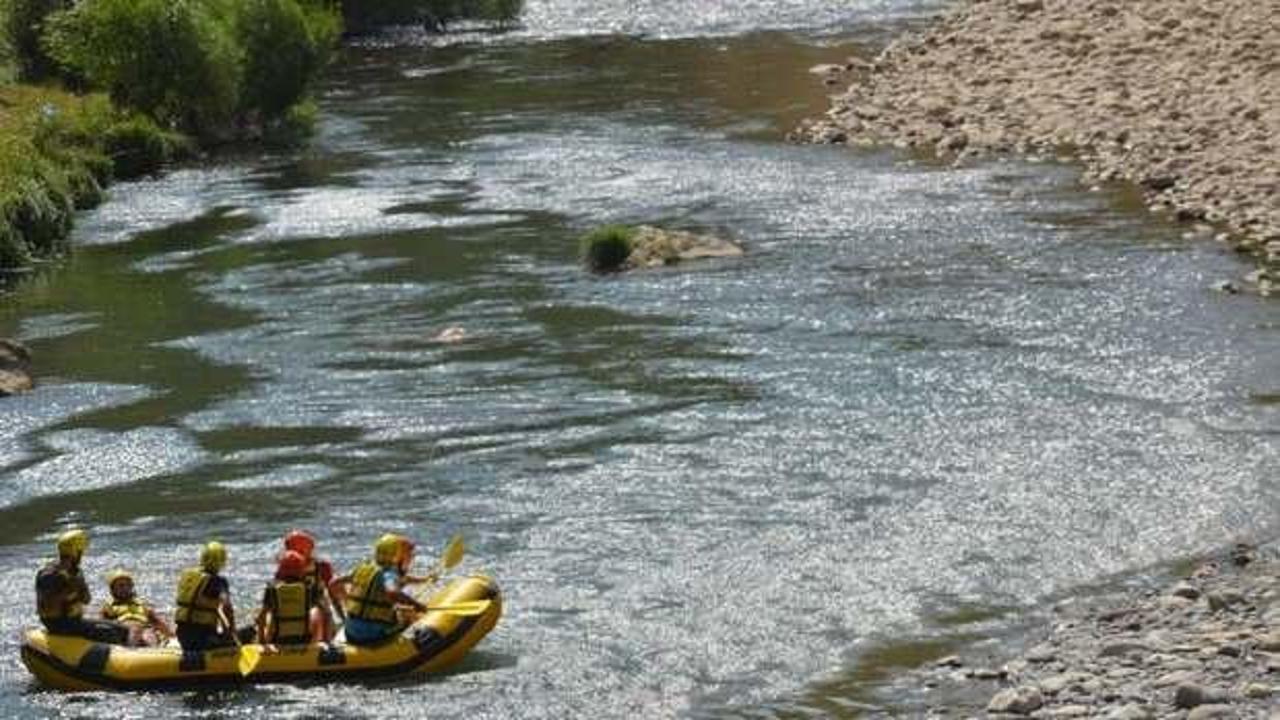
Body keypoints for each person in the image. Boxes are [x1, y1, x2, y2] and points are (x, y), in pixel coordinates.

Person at [35, 528, 130, 644]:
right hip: (57, 624)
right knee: (108, 632)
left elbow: (86, 599)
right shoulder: (50, 575)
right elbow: (48, 608)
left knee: (122, 628)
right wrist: (69, 592)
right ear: (75, 552)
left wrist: (78, 586)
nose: (82, 555)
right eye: (81, 552)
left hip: (74, 620)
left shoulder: (75, 572)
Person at [335, 533, 428, 647]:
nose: (411, 558)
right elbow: (392, 592)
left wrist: (346, 602)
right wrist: (418, 605)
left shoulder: (364, 568)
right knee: (410, 615)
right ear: (397, 556)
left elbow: (334, 583)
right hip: (371, 635)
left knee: (398, 610)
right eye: (408, 555)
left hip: (350, 631)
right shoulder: (389, 573)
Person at [174, 541, 238, 651]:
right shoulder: (218, 581)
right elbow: (227, 608)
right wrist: (232, 635)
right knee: (249, 632)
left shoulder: (188, 575)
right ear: (222, 560)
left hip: (182, 637)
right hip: (203, 640)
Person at [255, 550, 325, 646]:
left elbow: (261, 617)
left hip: (277, 639)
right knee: (316, 612)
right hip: (304, 639)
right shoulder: (309, 588)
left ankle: (265, 641)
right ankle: (318, 643)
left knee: (269, 615)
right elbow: (326, 613)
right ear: (301, 569)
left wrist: (261, 641)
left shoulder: (272, 590)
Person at [282, 529, 341, 641]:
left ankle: (328, 642)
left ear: (310, 548)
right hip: (293, 604)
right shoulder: (286, 565)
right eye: (293, 548)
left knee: (324, 612)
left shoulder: (322, 566)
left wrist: (343, 618)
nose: (297, 552)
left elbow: (333, 593)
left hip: (317, 606)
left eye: (301, 548)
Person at [100, 569, 173, 647]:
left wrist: (171, 635)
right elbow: (103, 626)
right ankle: (131, 650)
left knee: (149, 634)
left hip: (143, 629)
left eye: (128, 585)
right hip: (122, 631)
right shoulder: (109, 606)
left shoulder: (141, 604)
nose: (125, 588)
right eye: (121, 586)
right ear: (113, 589)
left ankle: (152, 652)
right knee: (135, 627)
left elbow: (157, 622)